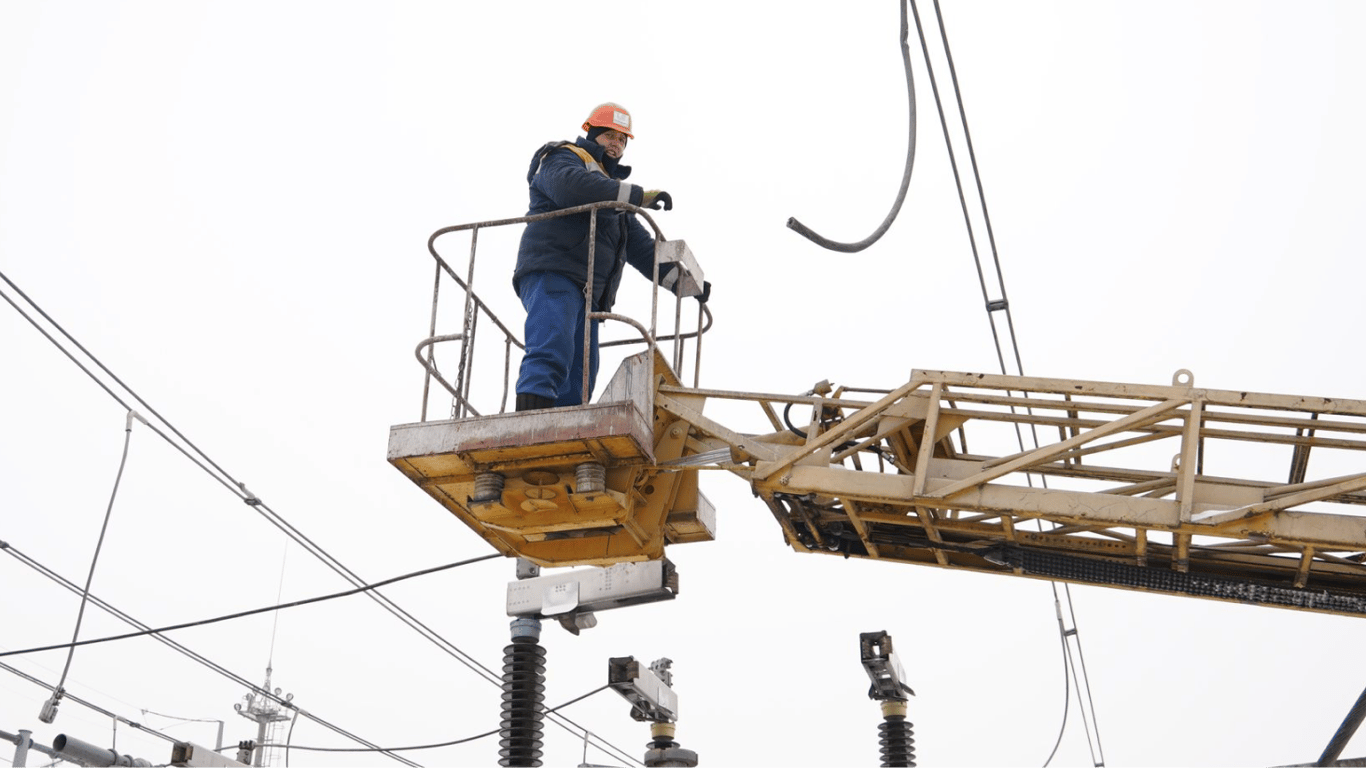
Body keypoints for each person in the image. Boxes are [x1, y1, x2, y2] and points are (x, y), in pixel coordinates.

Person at [511, 102, 703, 412]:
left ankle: (564, 430)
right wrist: (638, 196)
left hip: (588, 295)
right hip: (554, 272)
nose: (615, 144)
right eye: (609, 136)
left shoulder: (611, 196)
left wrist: (686, 284)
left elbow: (641, 247)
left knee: (582, 371)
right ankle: (529, 418)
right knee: (553, 343)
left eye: (622, 139)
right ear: (592, 133)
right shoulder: (563, 157)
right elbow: (572, 188)